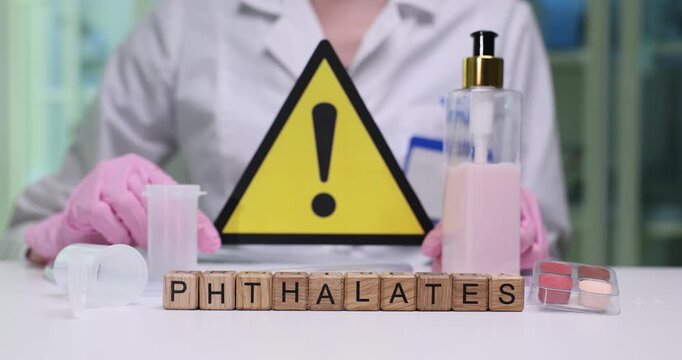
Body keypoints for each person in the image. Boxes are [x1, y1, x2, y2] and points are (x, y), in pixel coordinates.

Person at [1, 0, 570, 269]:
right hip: (230, 338)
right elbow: (26, 234)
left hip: (440, 344)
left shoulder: (492, 16)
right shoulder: (188, 17)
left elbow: (545, 245)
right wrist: (64, 232)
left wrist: (517, 244)